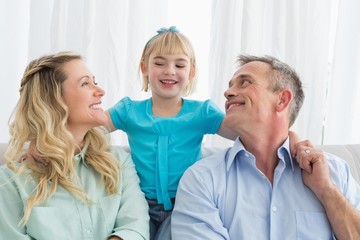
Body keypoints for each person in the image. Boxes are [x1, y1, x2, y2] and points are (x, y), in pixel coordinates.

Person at [171, 55, 360, 239]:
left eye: (244, 83)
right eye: (230, 85)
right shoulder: (201, 180)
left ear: (282, 100)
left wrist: (327, 191)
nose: (227, 93)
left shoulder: (335, 173)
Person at [105, 26, 238, 240]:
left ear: (191, 72)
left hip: (185, 204)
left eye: (179, 64)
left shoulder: (202, 112)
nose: (169, 71)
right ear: (144, 68)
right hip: (138, 205)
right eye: (159, 63)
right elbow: (88, 126)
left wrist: (292, 139)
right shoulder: (128, 111)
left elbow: (245, 133)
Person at [0, 51, 149, 240]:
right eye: (86, 83)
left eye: (95, 81)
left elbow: (135, 227)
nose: (101, 91)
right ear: (53, 100)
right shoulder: (10, 182)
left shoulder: (118, 162)